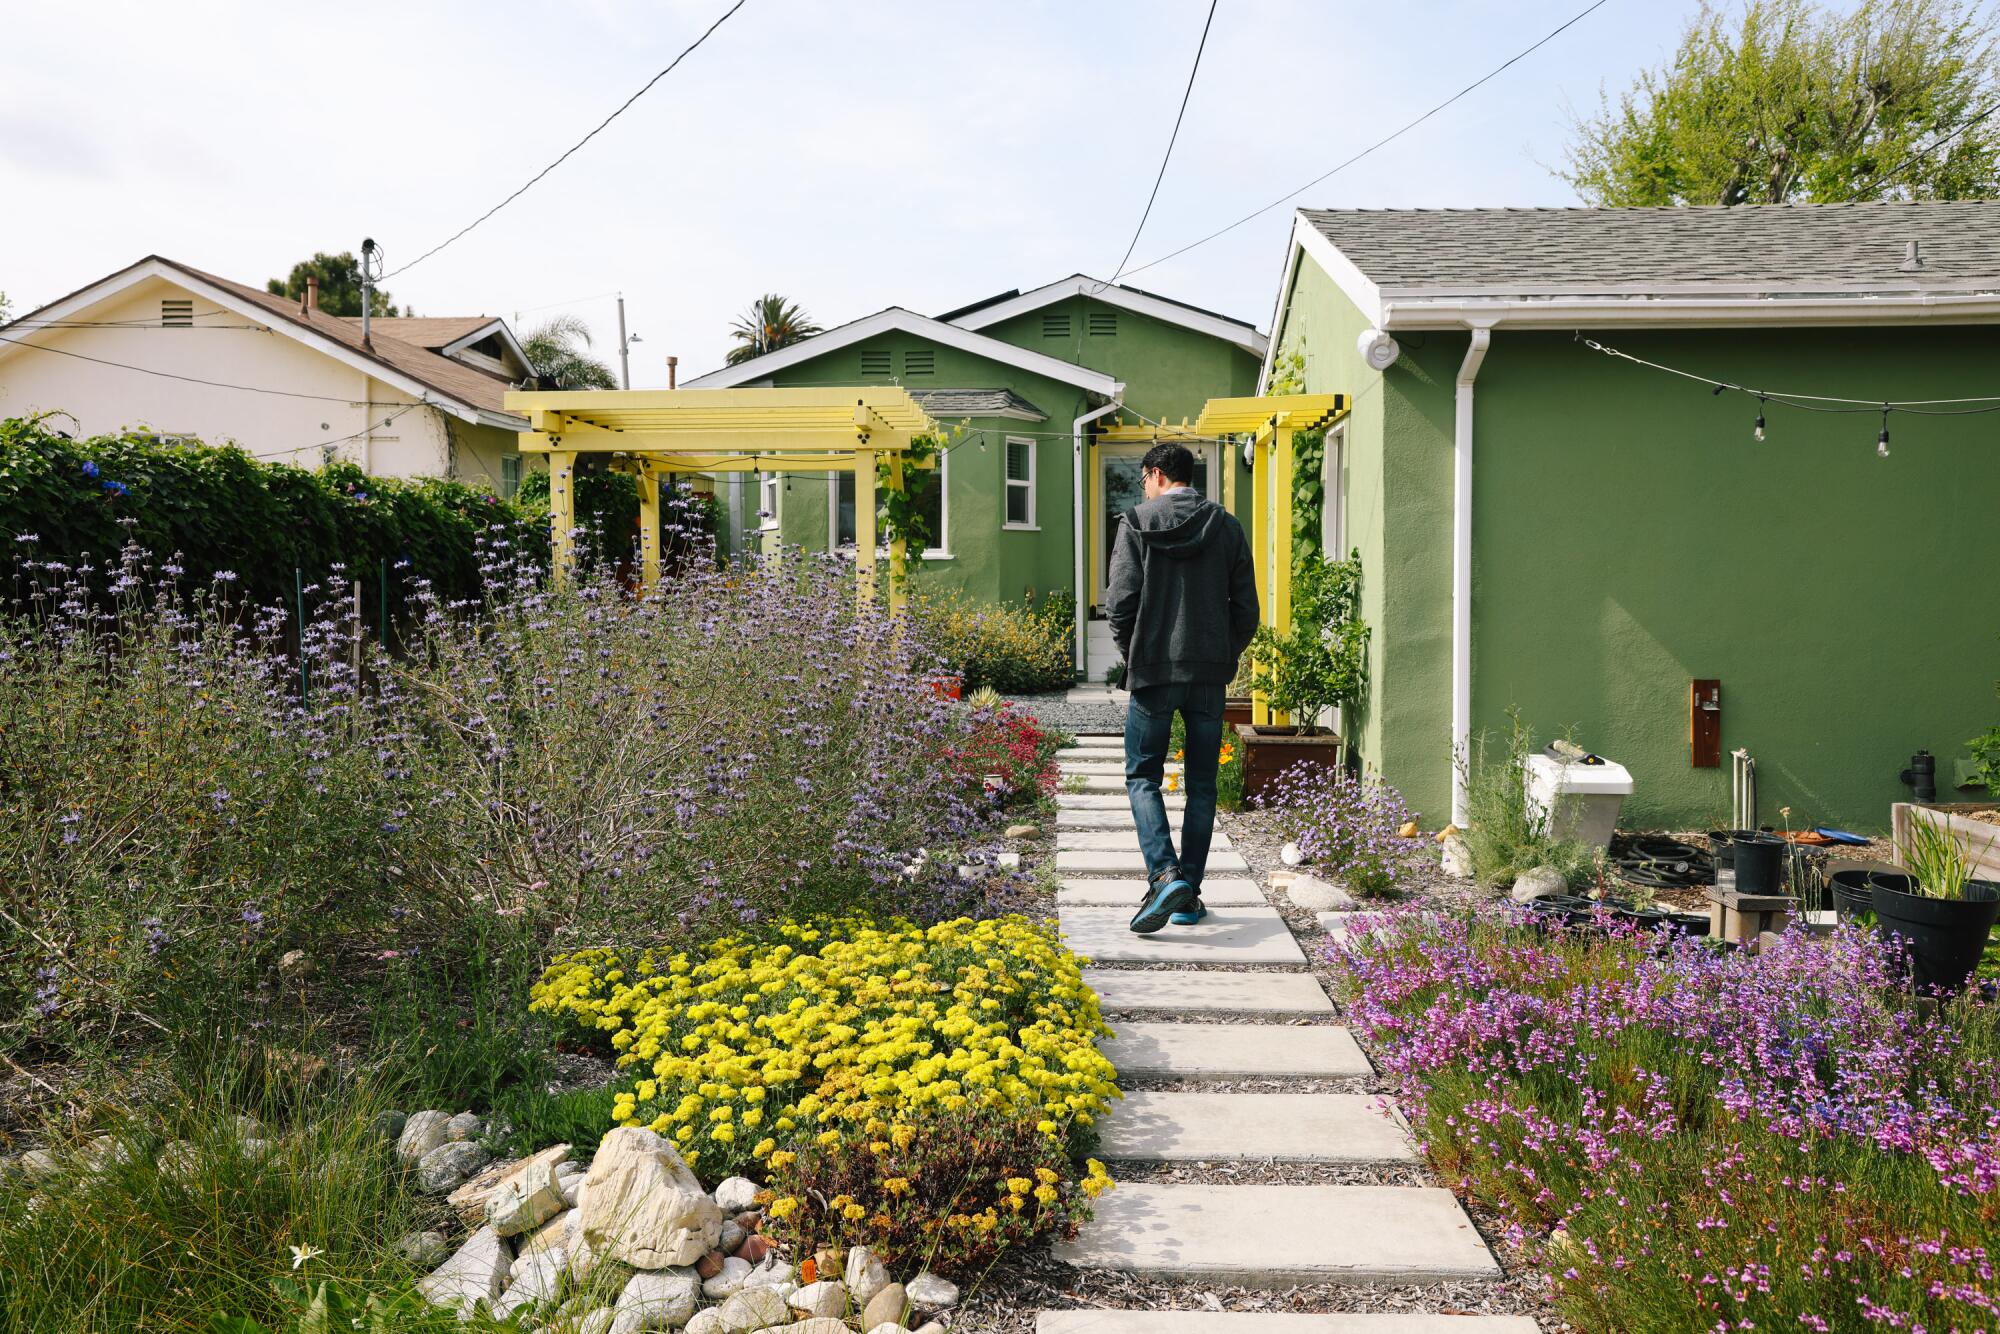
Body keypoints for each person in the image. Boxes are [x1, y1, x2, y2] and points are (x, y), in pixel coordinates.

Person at [1105, 441, 1259, 934]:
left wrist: (1137, 655)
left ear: (1154, 474)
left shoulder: (1135, 522)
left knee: (1142, 776)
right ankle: (1188, 895)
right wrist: (1222, 654)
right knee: (1202, 785)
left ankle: (1166, 875)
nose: (1142, 489)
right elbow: (1246, 610)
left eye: (1143, 479)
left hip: (1153, 672)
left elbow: (1120, 603)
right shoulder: (1227, 526)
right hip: (1209, 675)